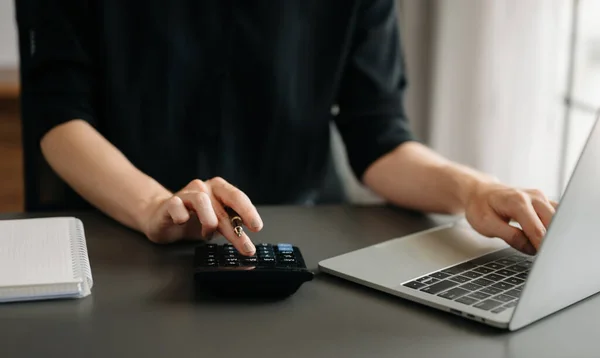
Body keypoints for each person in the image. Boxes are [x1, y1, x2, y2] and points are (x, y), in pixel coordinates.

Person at [15, 0, 557, 257]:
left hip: (295, 240)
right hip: (121, 233)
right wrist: (157, 205)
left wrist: (474, 190)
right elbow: (59, 117)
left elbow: (380, 137)